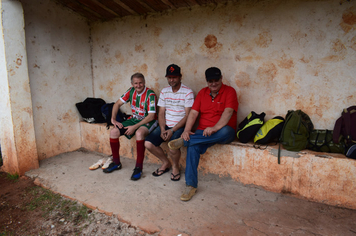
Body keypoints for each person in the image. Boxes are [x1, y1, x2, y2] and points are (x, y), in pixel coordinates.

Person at [168, 67, 238, 201]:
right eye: (210, 81)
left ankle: (187, 140)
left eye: (216, 80)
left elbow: (228, 112)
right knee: (193, 147)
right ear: (206, 81)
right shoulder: (202, 93)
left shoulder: (230, 91)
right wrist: (187, 130)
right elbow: (193, 113)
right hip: (202, 133)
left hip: (222, 131)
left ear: (221, 78)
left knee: (226, 131)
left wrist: (215, 128)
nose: (213, 83)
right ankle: (190, 186)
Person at [96, 72, 158, 181]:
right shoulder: (131, 91)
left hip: (149, 121)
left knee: (139, 133)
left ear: (144, 83)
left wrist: (134, 127)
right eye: (136, 83)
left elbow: (152, 116)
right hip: (134, 119)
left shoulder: (150, 95)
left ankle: (138, 167)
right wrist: (113, 119)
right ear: (132, 83)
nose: (138, 85)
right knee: (114, 132)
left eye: (140, 83)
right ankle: (116, 163)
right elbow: (117, 104)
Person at [145, 64, 194, 181]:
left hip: (180, 126)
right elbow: (161, 112)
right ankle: (165, 163)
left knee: (172, 147)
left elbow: (188, 115)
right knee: (148, 144)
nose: (172, 80)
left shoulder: (187, 92)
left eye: (174, 77)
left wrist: (172, 130)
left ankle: (176, 167)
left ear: (180, 77)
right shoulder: (164, 91)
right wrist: (163, 129)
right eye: (169, 77)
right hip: (166, 125)